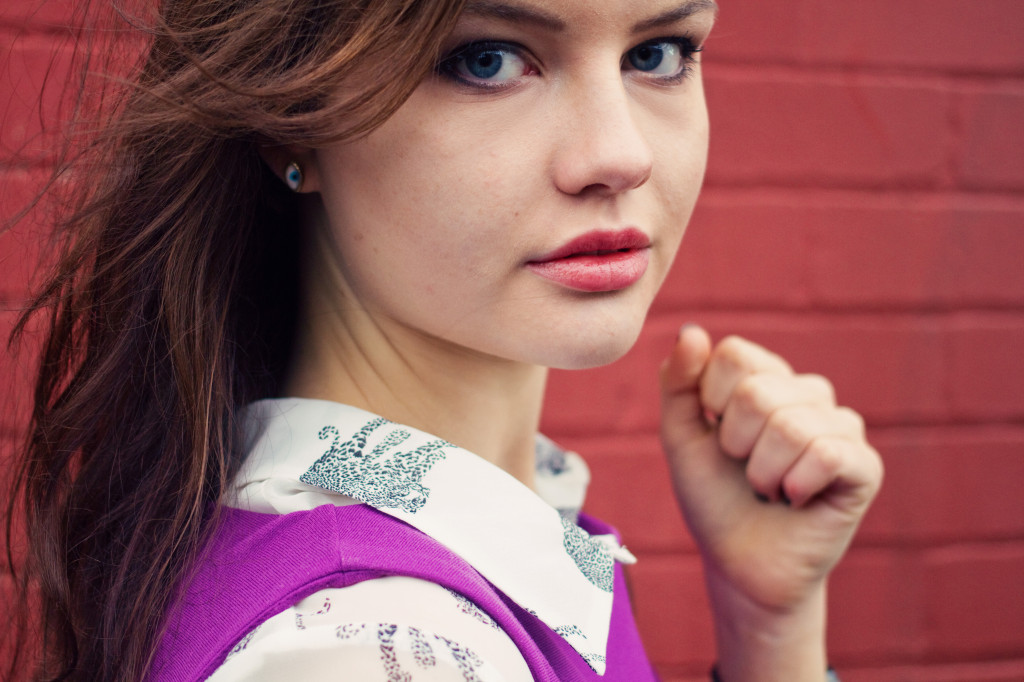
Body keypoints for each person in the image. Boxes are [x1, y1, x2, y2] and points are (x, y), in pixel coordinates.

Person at [3, 0, 883, 680]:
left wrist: (770, 632)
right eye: (487, 59)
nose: (620, 155)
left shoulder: (416, 551)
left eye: (658, 53)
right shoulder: (379, 648)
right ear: (291, 120)